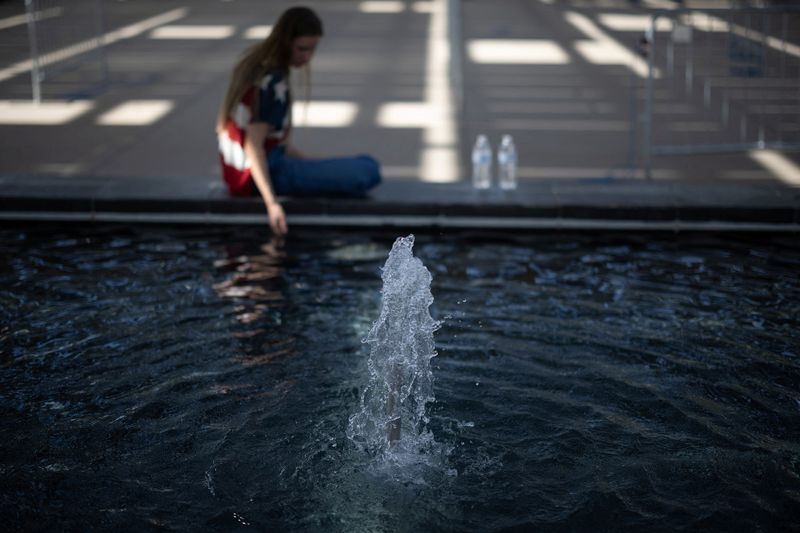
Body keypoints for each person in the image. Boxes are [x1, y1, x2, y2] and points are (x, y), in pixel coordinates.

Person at [217, 6, 381, 236]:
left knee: (362, 163)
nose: (307, 57)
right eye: (302, 49)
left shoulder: (260, 69)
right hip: (261, 175)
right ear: (285, 42)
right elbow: (253, 146)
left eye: (312, 50)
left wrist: (310, 163)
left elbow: (270, 141)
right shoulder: (272, 82)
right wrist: (272, 204)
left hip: (243, 174)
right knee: (367, 170)